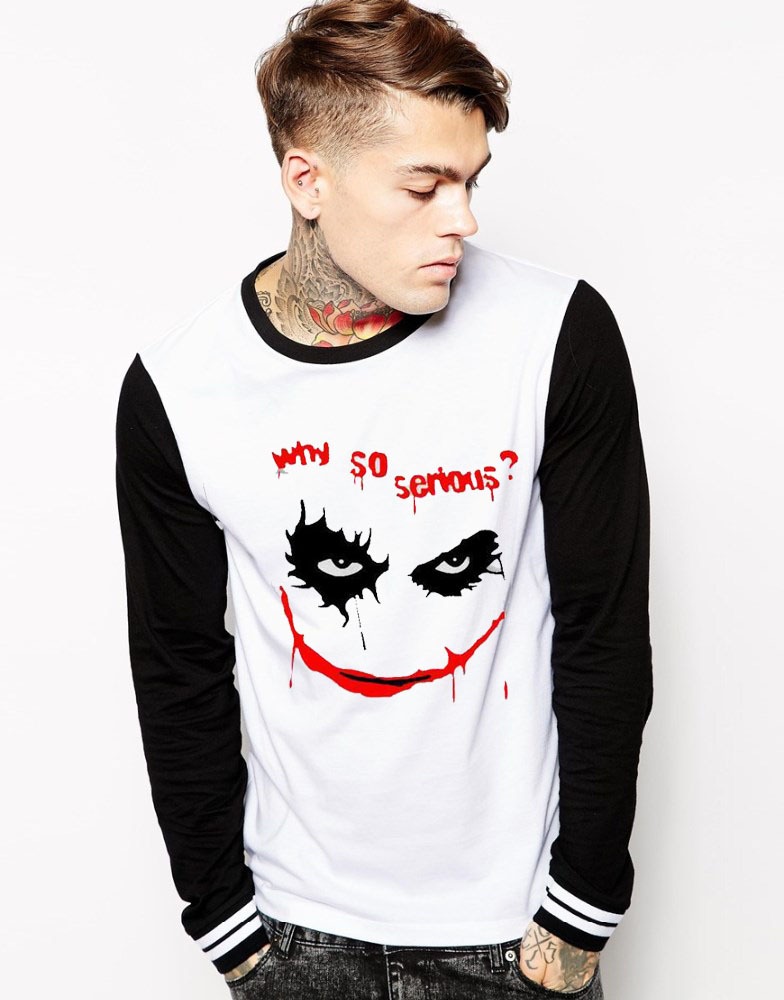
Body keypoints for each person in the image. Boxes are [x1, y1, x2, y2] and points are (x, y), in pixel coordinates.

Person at [114, 1, 653, 996]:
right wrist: (225, 922)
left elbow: (603, 629)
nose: (463, 219)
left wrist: (581, 907)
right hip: (293, 934)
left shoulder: (553, 334)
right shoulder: (181, 388)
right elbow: (178, 665)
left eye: (471, 181)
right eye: (424, 184)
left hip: (515, 934)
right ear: (306, 180)